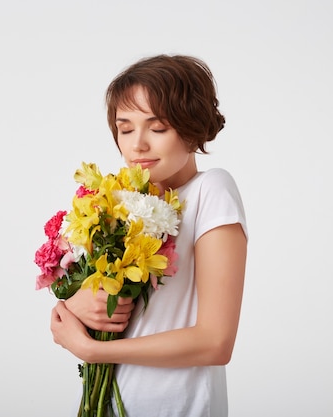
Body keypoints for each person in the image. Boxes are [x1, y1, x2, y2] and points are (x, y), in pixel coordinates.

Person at [50, 54, 248, 416]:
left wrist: (95, 351)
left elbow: (215, 342)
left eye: (157, 128)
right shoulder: (119, 202)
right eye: (125, 129)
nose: (137, 145)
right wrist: (73, 306)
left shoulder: (211, 190)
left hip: (178, 406)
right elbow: (114, 308)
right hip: (110, 402)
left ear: (192, 128)